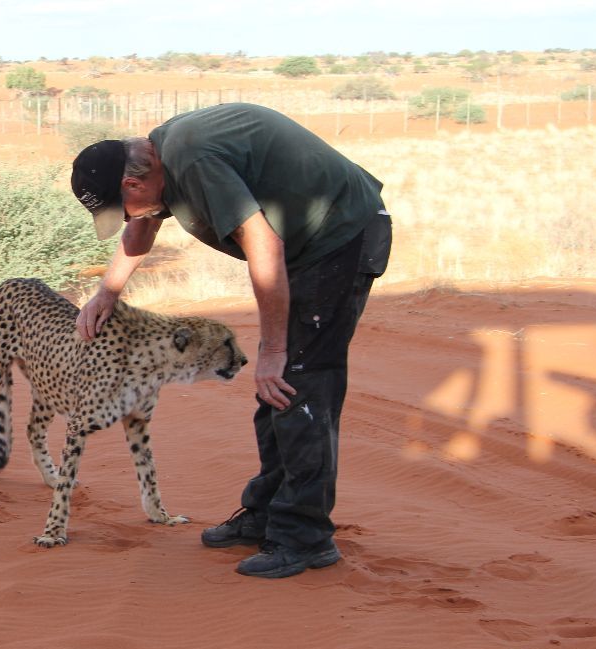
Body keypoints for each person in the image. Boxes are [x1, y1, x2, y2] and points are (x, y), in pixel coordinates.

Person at [70, 102, 391, 579]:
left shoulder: (193, 160)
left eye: (123, 207)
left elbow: (264, 244)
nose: (128, 217)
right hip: (308, 246)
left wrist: (274, 349)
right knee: (276, 387)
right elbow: (143, 224)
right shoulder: (158, 159)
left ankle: (305, 538)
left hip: (340, 237)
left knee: (299, 383)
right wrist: (107, 292)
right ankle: (268, 512)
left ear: (134, 184)